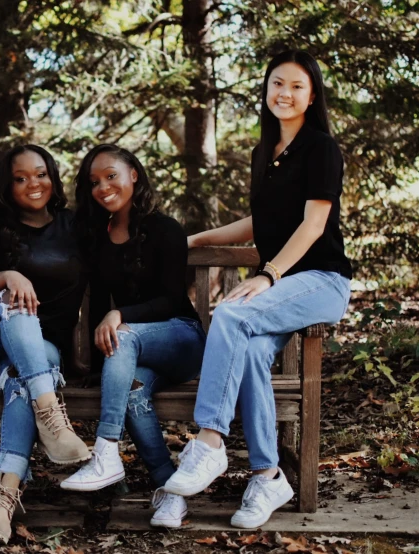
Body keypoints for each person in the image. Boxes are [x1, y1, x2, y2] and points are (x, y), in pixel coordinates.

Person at [163, 50, 352, 528]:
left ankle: (208, 442)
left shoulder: (321, 148)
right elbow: (260, 221)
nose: (284, 94)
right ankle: (268, 476)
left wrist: (268, 274)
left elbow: (312, 226)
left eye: (296, 86)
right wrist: (199, 239)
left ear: (312, 96)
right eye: (276, 84)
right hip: (286, 285)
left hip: (321, 281)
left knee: (230, 314)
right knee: (246, 353)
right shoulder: (264, 153)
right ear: (266, 89)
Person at [60, 144, 207, 528]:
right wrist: (96, 367)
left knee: (123, 337)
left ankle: (106, 450)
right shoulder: (98, 235)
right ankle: (170, 492)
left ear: (134, 176)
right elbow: (97, 308)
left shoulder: (165, 228)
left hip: (181, 340)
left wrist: (120, 314)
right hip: (131, 350)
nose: (103, 187)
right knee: (132, 390)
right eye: (94, 182)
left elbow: (171, 299)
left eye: (112, 176)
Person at [0, 145, 91, 543]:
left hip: (36, 354)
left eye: (41, 174)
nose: (34, 184)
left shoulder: (75, 228)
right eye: (20, 178)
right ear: (6, 185)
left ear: (53, 177)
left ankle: (2, 497)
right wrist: (8, 276)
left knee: (28, 375)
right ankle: (52, 418)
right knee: (14, 304)